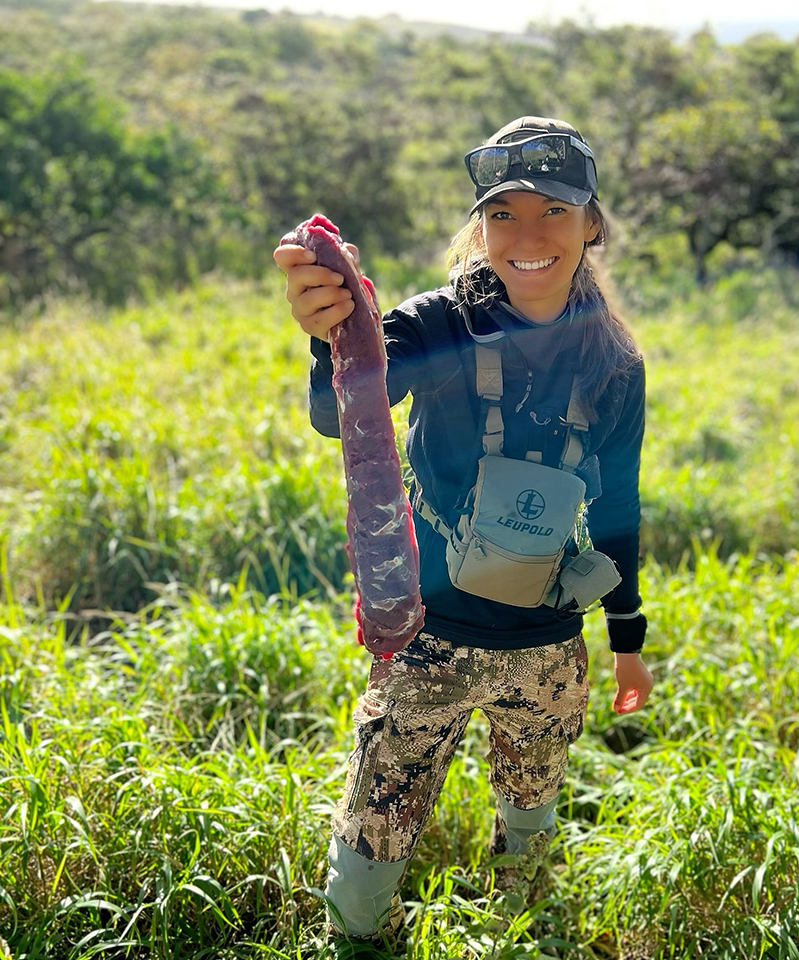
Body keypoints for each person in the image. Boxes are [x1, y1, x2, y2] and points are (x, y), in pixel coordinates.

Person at [274, 116, 654, 951]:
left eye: (553, 210)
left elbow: (620, 513)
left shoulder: (616, 362)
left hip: (549, 646)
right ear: (479, 226)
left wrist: (627, 642)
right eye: (504, 212)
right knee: (366, 860)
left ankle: (518, 924)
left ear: (592, 223)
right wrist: (326, 333)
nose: (528, 235)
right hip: (427, 641)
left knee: (531, 815)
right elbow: (336, 414)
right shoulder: (438, 325)